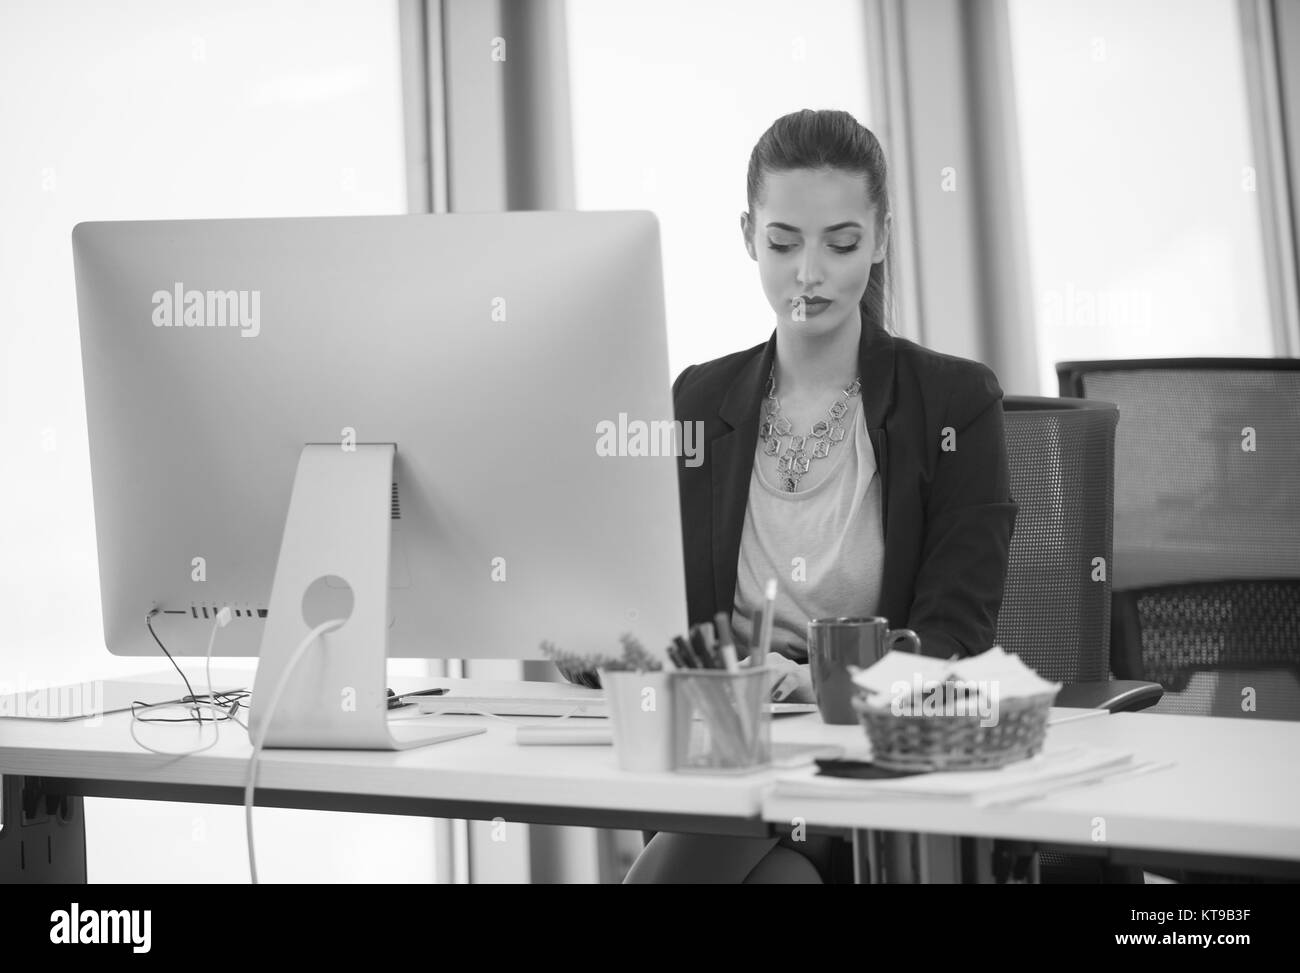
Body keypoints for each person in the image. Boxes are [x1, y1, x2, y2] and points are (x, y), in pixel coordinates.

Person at [561, 108, 1017, 882]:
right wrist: (592, 630)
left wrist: (817, 682)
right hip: (726, 757)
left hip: (866, 762)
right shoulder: (699, 401)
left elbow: (956, 636)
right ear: (747, 236)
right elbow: (646, 605)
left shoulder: (954, 403)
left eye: (841, 243)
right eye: (782, 242)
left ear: (878, 239)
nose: (809, 272)